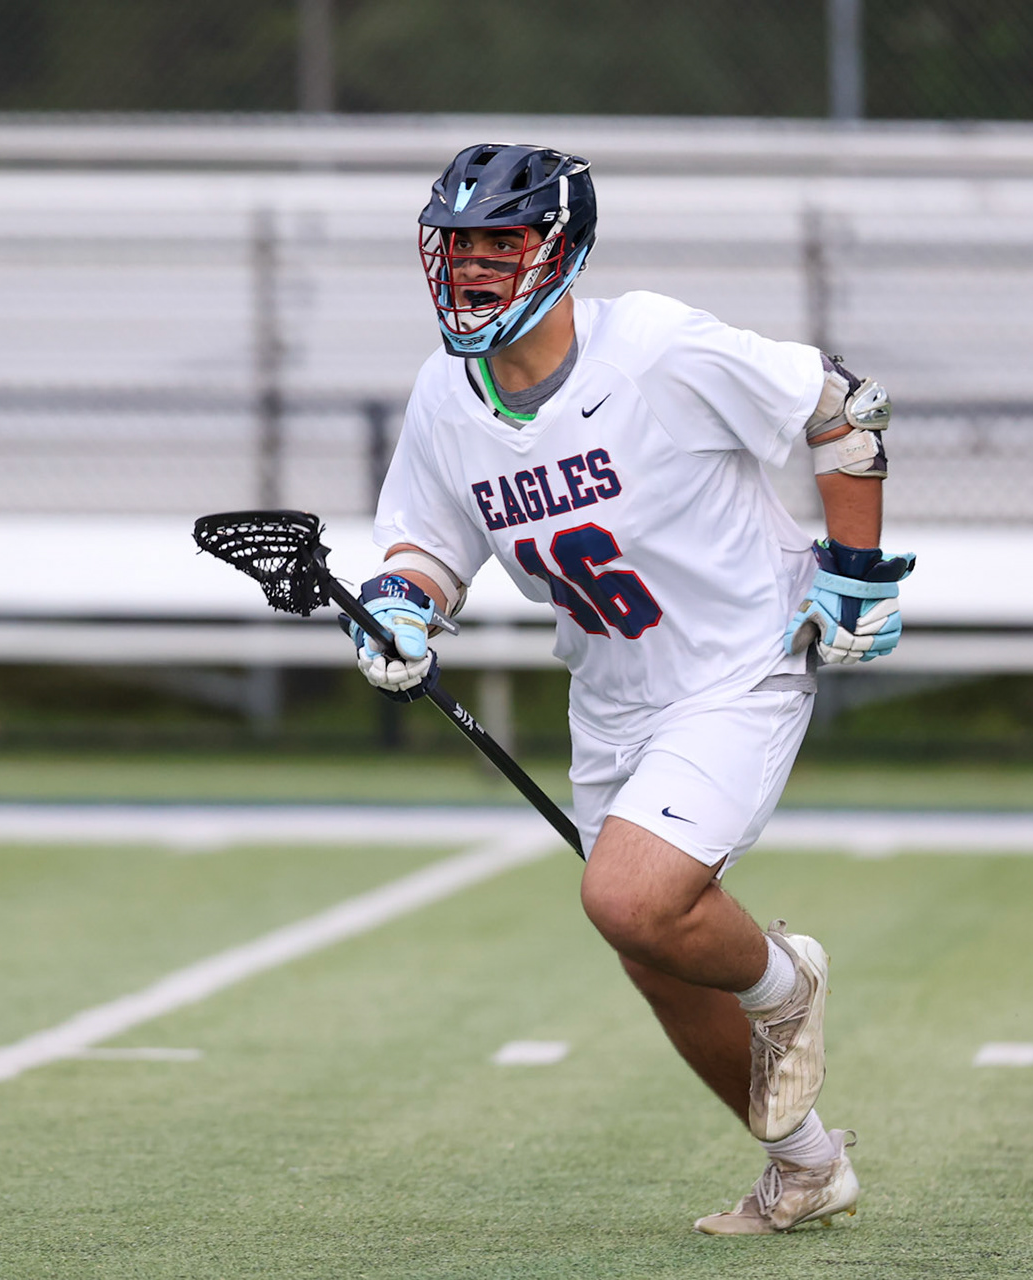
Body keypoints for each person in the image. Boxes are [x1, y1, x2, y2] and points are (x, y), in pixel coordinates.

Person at [349, 143, 912, 1234]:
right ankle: (804, 1164)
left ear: (557, 250)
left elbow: (843, 408)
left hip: (737, 660)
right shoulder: (444, 397)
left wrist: (854, 572)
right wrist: (406, 607)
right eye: (456, 244)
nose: (468, 268)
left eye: (496, 243)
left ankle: (784, 985)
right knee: (651, 949)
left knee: (627, 895)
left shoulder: (651, 345)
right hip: (612, 692)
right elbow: (428, 541)